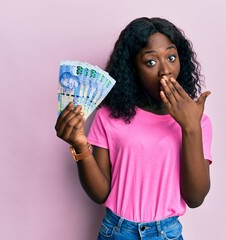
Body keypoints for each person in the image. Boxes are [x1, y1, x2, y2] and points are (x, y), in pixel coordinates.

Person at [55, 17, 213, 240]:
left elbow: (195, 197)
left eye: (171, 57)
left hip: (166, 233)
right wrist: (80, 147)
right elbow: (100, 193)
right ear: (132, 69)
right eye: (151, 62)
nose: (165, 71)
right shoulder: (109, 116)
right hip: (116, 231)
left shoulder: (198, 122)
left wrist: (190, 128)